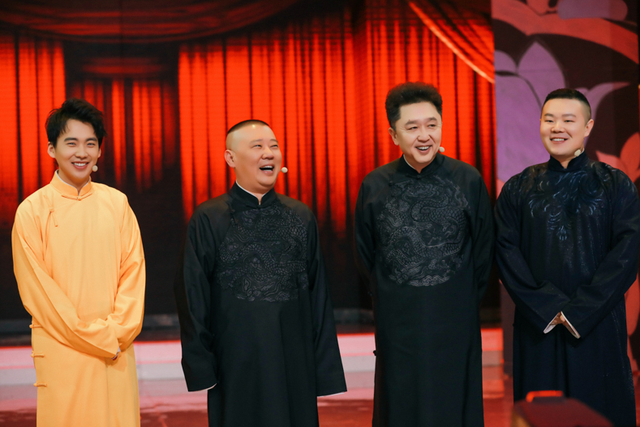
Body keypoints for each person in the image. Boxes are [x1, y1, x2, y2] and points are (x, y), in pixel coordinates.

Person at [174, 120, 346, 427]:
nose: (269, 153)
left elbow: (318, 296)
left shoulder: (300, 216)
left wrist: (324, 368)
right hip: (235, 362)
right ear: (230, 158)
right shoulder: (209, 217)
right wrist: (202, 364)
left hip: (294, 360)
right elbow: (192, 295)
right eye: (257, 146)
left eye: (274, 146)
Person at [495, 88, 640, 426]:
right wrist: (548, 307)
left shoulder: (615, 184)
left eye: (568, 120)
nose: (557, 127)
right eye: (549, 120)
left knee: (601, 410)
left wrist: (580, 310)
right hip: (538, 326)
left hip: (598, 325)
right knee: (542, 413)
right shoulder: (517, 188)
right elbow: (505, 250)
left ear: (588, 126)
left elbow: (627, 251)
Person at [355, 82, 494, 426]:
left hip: (455, 321)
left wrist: (457, 298)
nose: (424, 135)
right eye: (412, 127)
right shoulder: (374, 185)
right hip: (398, 323)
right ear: (394, 134)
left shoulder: (468, 179)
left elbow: (483, 252)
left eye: (432, 125)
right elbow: (365, 255)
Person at [12, 98, 146, 427]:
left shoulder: (117, 204)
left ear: (99, 151)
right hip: (64, 352)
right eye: (71, 143)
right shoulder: (32, 211)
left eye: (90, 143)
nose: (81, 152)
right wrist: (102, 339)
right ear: (52, 149)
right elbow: (40, 294)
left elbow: (133, 275)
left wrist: (117, 333)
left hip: (115, 353)